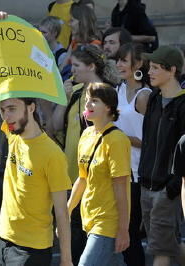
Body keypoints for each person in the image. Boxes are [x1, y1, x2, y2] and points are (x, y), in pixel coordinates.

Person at [52, 44, 118, 265]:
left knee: (88, 243)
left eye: (77, 66)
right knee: (75, 237)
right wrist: (63, 98)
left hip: (97, 178)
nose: (73, 71)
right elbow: (53, 126)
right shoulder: (76, 90)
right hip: (72, 173)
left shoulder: (107, 94)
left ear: (91, 66)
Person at [0, 97, 72, 266]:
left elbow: (62, 212)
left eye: (12, 109)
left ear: (31, 108)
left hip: (31, 249)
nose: (6, 116)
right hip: (3, 239)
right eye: (2, 110)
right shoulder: (12, 133)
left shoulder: (52, 154)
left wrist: (66, 260)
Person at [67, 82, 131, 266]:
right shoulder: (86, 134)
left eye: (94, 101)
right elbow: (82, 179)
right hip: (90, 219)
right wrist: (67, 210)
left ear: (109, 107)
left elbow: (121, 188)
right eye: (87, 100)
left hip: (107, 222)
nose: (87, 105)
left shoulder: (117, 140)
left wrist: (123, 230)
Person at [139, 45, 185, 266]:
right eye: (150, 67)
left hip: (166, 190)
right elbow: (148, 141)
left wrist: (173, 186)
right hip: (146, 184)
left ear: (172, 70)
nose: (150, 72)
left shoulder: (183, 106)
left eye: (156, 67)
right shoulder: (155, 100)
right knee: (166, 246)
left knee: (160, 251)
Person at [114, 42, 151, 266]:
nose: (118, 64)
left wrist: (118, 138)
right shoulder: (118, 90)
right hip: (118, 170)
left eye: (123, 60)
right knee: (123, 231)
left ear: (137, 64)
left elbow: (150, 142)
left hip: (137, 173)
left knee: (131, 233)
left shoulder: (144, 95)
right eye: (117, 60)